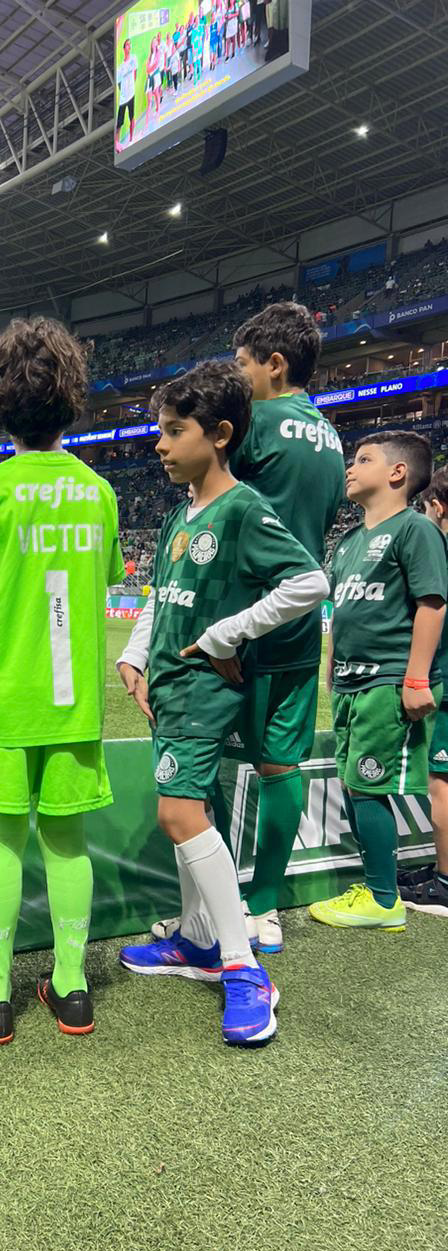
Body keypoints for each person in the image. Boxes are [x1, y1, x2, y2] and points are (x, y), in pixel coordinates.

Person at [117, 362, 327, 1047]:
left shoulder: (241, 508)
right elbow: (163, 595)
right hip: (169, 687)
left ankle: (244, 967)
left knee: (177, 815)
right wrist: (134, 655)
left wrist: (226, 634)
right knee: (191, 812)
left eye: (175, 430)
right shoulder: (178, 516)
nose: (160, 444)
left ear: (220, 434)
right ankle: (196, 940)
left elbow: (309, 583)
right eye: (160, 430)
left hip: (205, 688)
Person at [0, 317, 122, 1046]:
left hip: (3, 700)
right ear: (72, 397)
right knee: (68, 841)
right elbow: (100, 584)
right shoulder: (98, 493)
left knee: (1, 840)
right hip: (75, 705)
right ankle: (72, 990)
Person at [150, 302, 344, 954]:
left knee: (195, 775)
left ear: (274, 365)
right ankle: (263, 907)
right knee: (281, 764)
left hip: (242, 623)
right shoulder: (330, 436)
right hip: (298, 629)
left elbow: (219, 495)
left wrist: (226, 631)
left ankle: (214, 924)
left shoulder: (256, 424)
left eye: (242, 365)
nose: (238, 377)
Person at [309, 432, 446, 931]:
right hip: (350, 681)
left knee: (368, 785)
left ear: (397, 473)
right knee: (354, 784)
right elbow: (341, 612)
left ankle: (384, 900)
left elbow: (432, 603)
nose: (350, 468)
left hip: (387, 679)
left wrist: (416, 678)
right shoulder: (348, 541)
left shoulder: (415, 529)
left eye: (363, 459)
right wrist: (331, 665)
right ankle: (375, 888)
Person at [399, 466, 448, 916]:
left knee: (442, 784)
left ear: (436, 506)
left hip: (445, 682)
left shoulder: (439, 553)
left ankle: (445, 881)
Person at [116, 36, 139, 145]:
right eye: (127, 44)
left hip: (131, 94)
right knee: (119, 123)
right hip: (123, 98)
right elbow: (118, 82)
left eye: (130, 44)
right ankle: (117, 142)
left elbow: (135, 72)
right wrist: (123, 91)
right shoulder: (120, 67)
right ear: (124, 48)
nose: (129, 46)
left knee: (131, 116)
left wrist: (132, 85)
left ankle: (131, 139)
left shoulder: (133, 58)